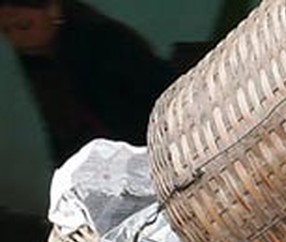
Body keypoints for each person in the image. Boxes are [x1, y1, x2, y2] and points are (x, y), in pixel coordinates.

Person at [0, 0, 174, 165]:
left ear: (53, 9)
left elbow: (141, 115)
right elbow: (63, 136)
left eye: (24, 26)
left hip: (162, 144)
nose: (17, 38)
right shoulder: (39, 59)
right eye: (6, 31)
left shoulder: (102, 41)